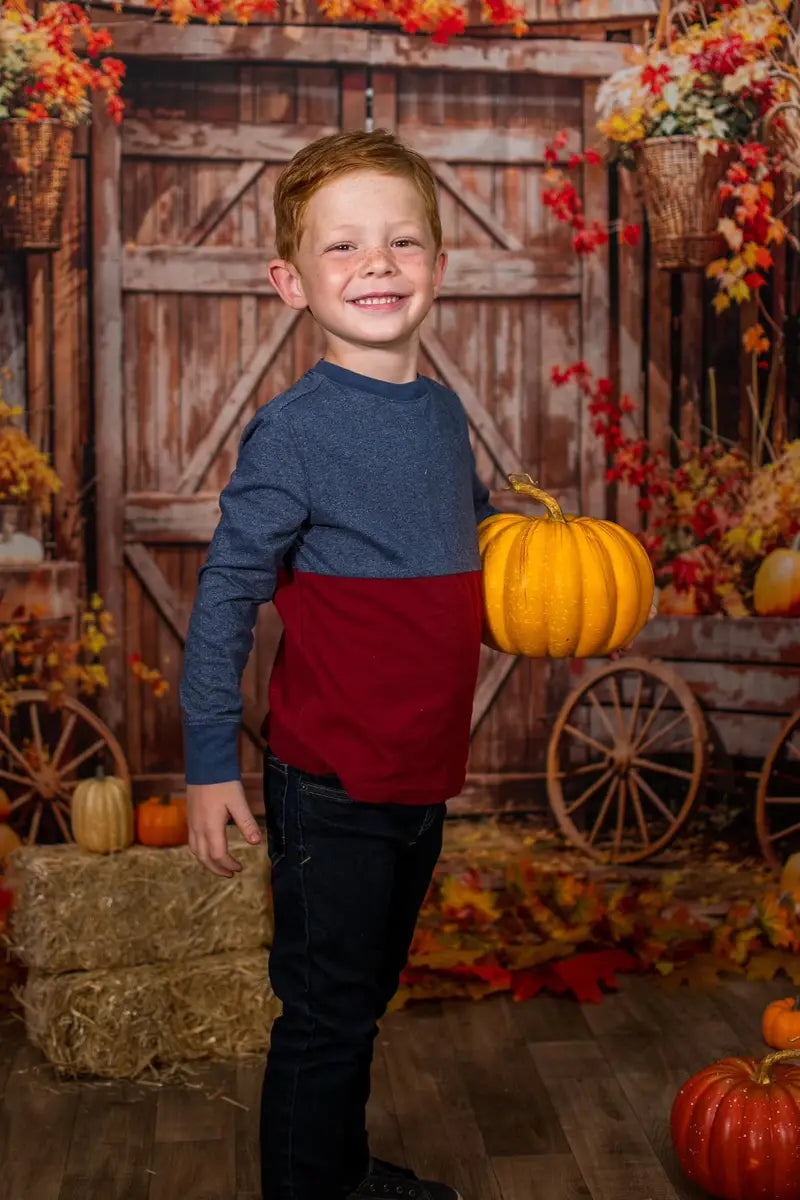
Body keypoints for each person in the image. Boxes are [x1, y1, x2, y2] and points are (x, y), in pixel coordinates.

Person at [179, 128, 500, 1200]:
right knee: (322, 1013)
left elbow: (475, 545)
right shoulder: (293, 433)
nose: (377, 264)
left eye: (403, 241)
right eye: (344, 247)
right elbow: (226, 594)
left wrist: (540, 577)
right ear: (289, 282)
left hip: (419, 771)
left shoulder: (444, 412)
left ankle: (340, 1171)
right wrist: (209, 766)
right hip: (330, 786)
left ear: (438, 269)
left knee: (361, 997)